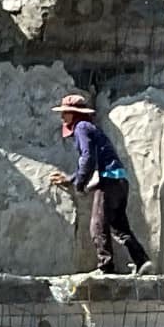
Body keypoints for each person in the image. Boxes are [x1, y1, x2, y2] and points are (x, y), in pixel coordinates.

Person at [47, 93, 151, 276]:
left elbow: (87, 158)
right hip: (120, 181)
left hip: (108, 180)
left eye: (65, 113)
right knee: (119, 227)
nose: (62, 117)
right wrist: (71, 179)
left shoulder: (81, 127)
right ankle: (142, 261)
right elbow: (92, 160)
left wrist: (79, 183)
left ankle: (106, 266)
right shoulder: (91, 128)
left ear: (74, 114)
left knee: (97, 225)